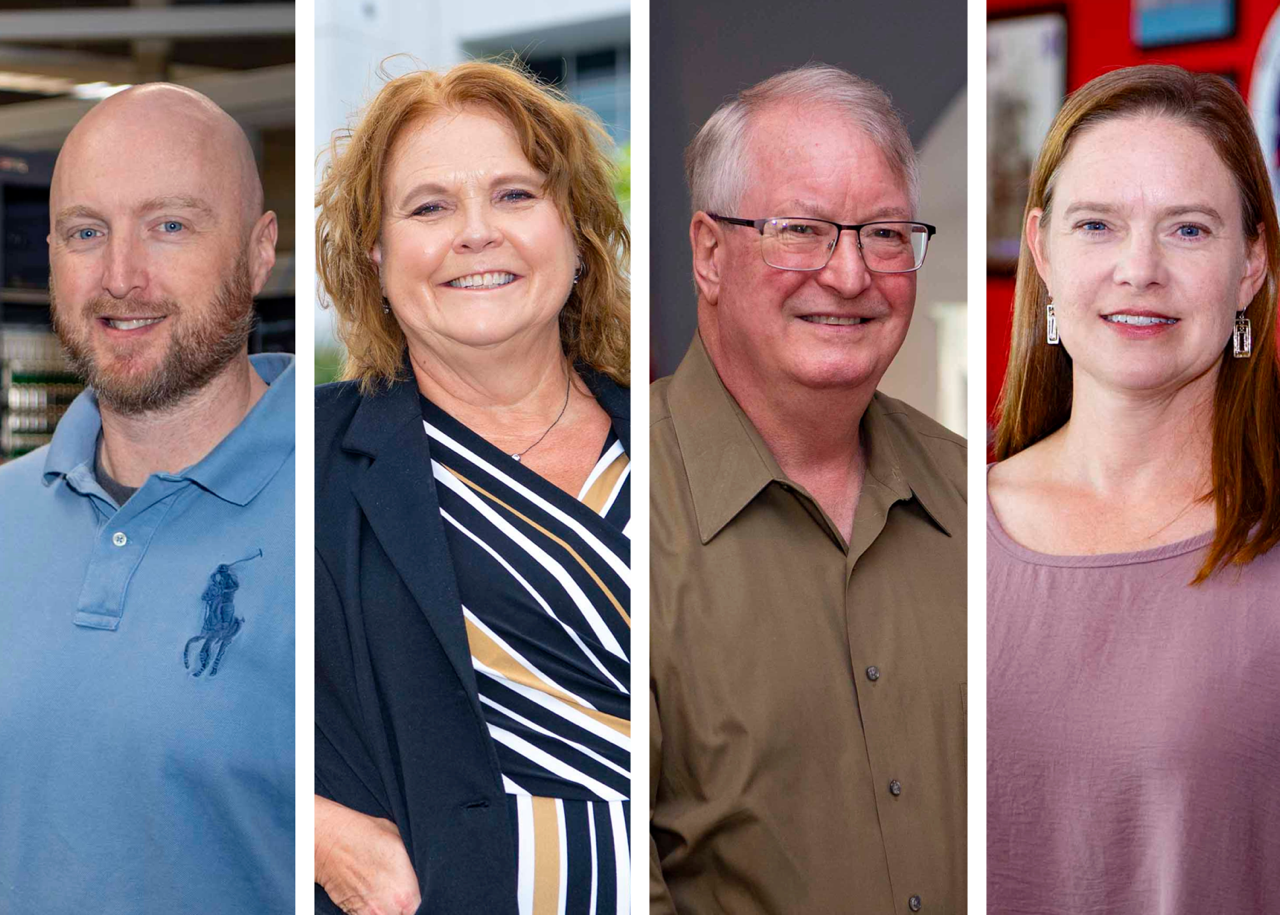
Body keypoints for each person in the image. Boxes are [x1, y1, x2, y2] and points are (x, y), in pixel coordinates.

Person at [314, 60, 631, 915]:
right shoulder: (300, 458)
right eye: (429, 207)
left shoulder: (681, 447)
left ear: (577, 230)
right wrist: (306, 825)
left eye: (516, 195)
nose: (476, 232)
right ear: (376, 255)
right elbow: (167, 692)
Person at [650, 64, 966, 915]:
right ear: (709, 253)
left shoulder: (979, 497)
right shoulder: (609, 507)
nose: (852, 274)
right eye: (803, 229)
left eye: (887, 234)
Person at [988, 65, 1280, 912]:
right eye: (1097, 224)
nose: (1138, 268)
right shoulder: (938, 528)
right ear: (1042, 248)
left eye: (1188, 230)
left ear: (1250, 265)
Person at [0, 84, 294, 911]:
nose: (121, 277)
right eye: (86, 232)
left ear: (257, 249)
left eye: (169, 225)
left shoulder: (349, 510)